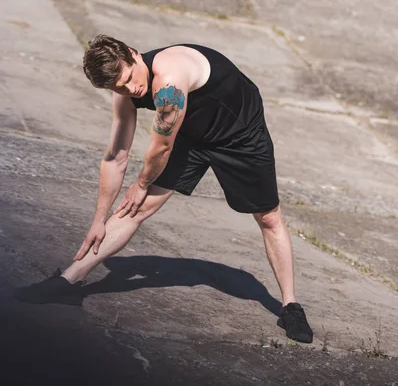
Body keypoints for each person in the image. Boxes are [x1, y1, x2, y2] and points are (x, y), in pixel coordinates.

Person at [15, 35, 313, 343]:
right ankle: (67, 282)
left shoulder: (170, 79)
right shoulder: (124, 90)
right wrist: (98, 220)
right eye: (119, 87)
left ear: (133, 54)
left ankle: (290, 305)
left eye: (129, 79)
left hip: (240, 135)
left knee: (267, 217)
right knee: (137, 207)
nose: (130, 90)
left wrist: (141, 184)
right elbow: (116, 155)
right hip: (191, 135)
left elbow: (161, 148)